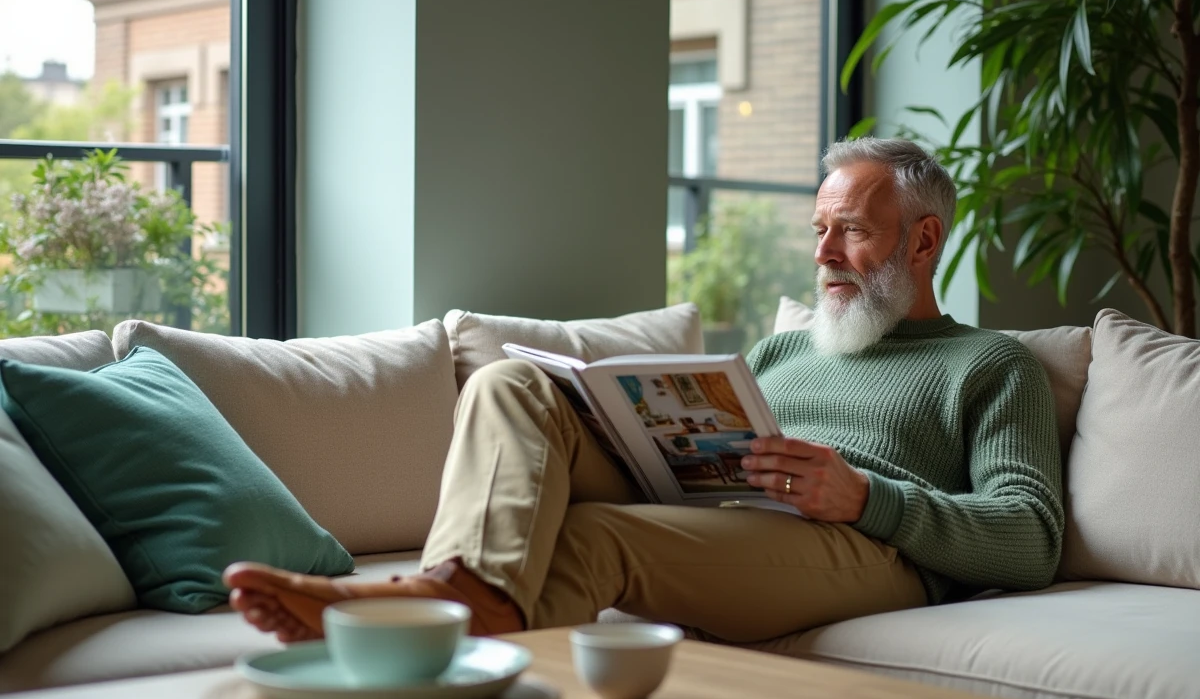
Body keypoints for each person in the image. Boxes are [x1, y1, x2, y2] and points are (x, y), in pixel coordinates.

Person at [225, 138, 1063, 644]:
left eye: (851, 230)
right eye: (819, 230)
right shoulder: (783, 349)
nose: (823, 255)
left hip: (867, 548)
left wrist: (867, 497)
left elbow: (1031, 537)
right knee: (513, 383)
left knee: (596, 539)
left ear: (923, 240)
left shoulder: (990, 365)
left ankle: (413, 626)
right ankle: (456, 600)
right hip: (727, 511)